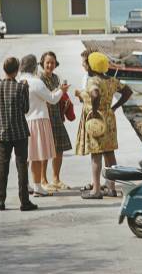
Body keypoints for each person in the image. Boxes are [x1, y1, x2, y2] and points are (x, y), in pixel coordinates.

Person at [75, 52, 132, 199]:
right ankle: (111, 187)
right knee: (109, 153)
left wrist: (94, 111)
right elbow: (128, 91)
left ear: (92, 66)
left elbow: (94, 94)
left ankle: (96, 190)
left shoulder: (93, 80)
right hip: (109, 118)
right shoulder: (112, 80)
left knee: (96, 154)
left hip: (98, 120)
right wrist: (114, 107)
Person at [0, 57, 36, 211]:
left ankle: (0, 200)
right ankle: (24, 201)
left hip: (3, 133)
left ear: (4, 70)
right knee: (22, 166)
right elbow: (25, 109)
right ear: (16, 71)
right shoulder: (21, 88)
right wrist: (26, 90)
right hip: (20, 133)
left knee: (3, 167)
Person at [18, 55, 69, 197]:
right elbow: (52, 99)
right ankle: (38, 187)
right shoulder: (36, 82)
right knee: (38, 156)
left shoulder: (20, 81)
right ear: (35, 66)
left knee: (27, 156)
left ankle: (26, 184)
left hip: (25, 120)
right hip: (38, 120)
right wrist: (62, 91)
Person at [39, 51, 73, 191]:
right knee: (45, 150)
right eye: (47, 62)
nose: (50, 65)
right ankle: (42, 179)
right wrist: (59, 92)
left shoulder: (55, 78)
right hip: (45, 116)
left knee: (59, 148)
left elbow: (57, 96)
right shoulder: (39, 79)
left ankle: (56, 178)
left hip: (56, 116)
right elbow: (47, 97)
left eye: (52, 62)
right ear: (42, 63)